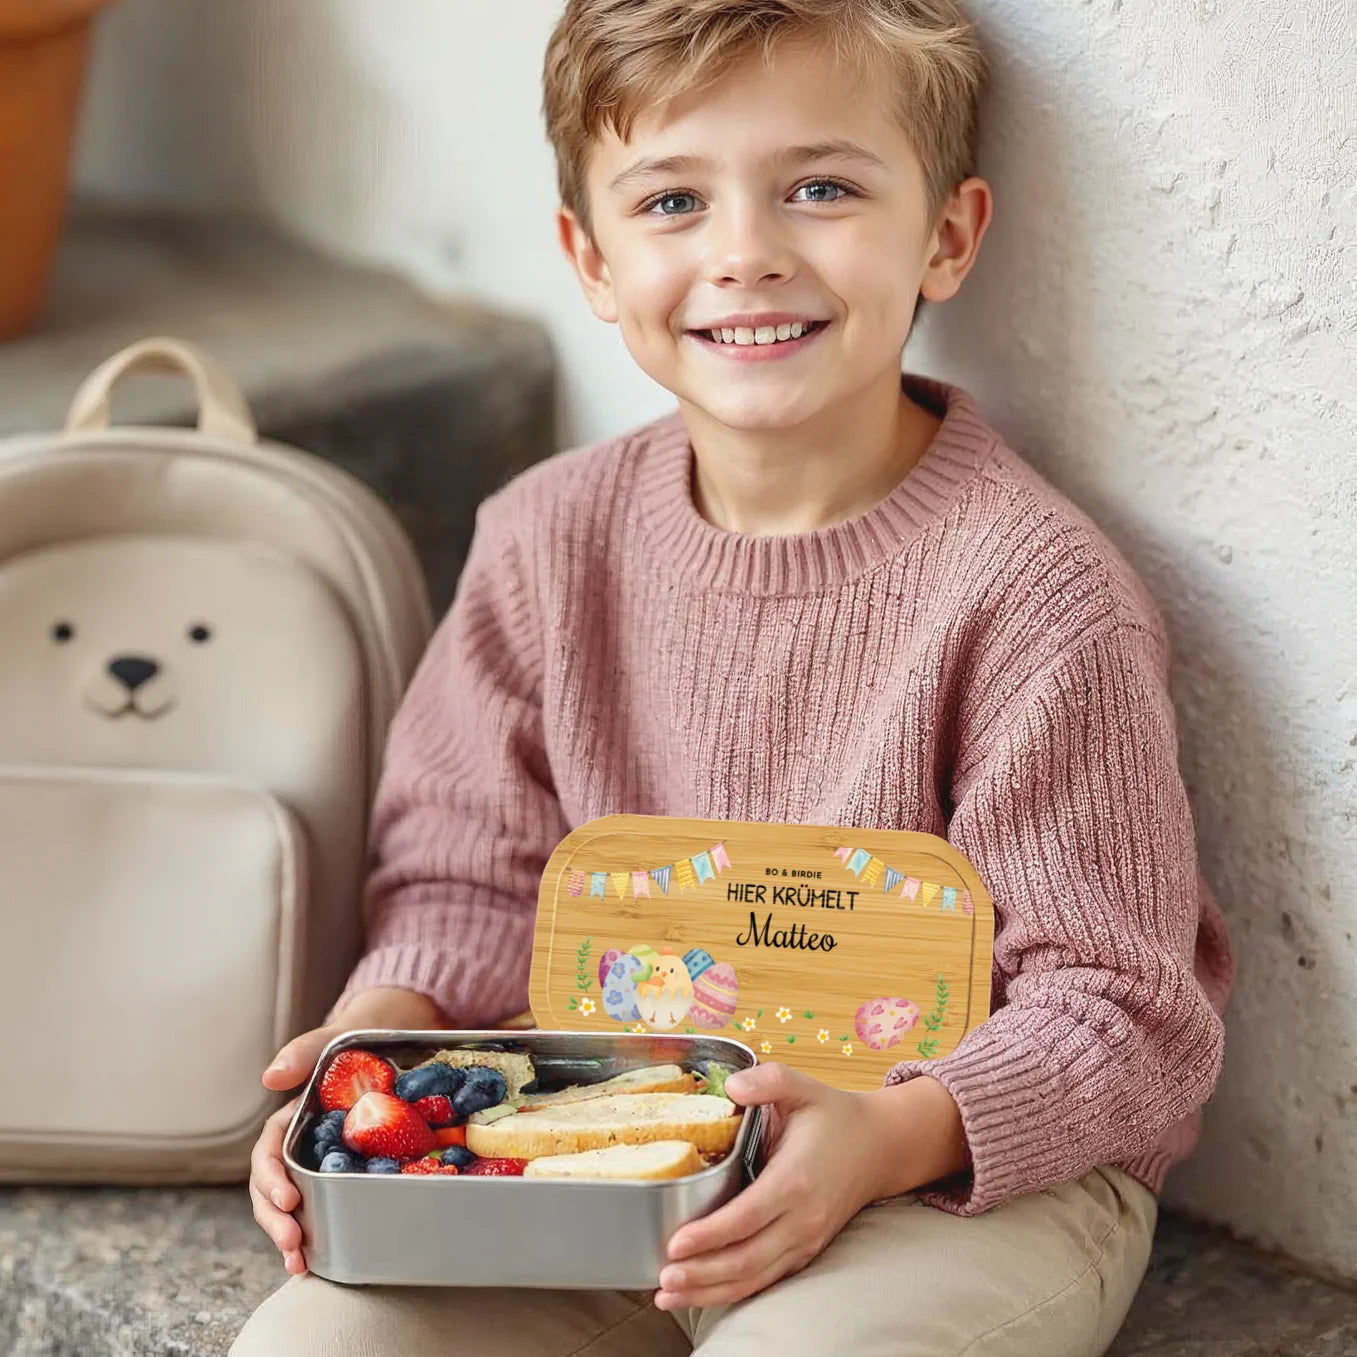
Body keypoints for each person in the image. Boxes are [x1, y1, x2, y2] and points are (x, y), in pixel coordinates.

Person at [232, 1, 1234, 1352]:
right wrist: (372, 1056)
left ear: (946, 236)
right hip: (600, 1145)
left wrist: (887, 1134)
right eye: (673, 201)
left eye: (821, 189)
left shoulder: (1036, 594)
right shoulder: (542, 542)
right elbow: (463, 880)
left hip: (955, 1176)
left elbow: (1119, 1008)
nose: (745, 252)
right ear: (591, 259)